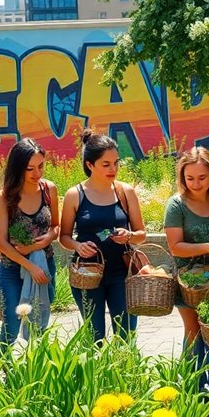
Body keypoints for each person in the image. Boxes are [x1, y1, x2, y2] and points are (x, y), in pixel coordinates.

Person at [60, 129, 146, 341]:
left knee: (125, 337)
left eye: (116, 163)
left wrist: (129, 235)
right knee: (94, 338)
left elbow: (141, 234)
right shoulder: (75, 195)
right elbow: (64, 237)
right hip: (87, 274)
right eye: (106, 164)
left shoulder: (126, 192)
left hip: (122, 275)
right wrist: (77, 246)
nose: (113, 169)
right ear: (90, 165)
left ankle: (125, 375)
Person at [164, 147, 209, 397]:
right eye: (189, 178)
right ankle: (192, 386)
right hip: (187, 281)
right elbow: (175, 247)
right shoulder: (176, 205)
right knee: (194, 330)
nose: (195, 183)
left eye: (201, 178)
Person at [0, 138, 60, 357]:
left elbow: (56, 226)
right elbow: (1, 242)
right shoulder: (5, 196)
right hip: (13, 268)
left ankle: (34, 376)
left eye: (41, 166)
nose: (37, 173)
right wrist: (30, 266)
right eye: (30, 168)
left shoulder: (49, 189)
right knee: (10, 328)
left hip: (45, 263)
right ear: (18, 168)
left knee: (39, 324)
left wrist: (48, 238)